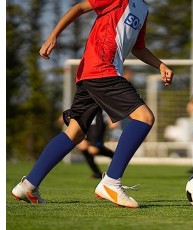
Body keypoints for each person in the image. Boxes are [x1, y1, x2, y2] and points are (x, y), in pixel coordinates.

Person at [12, 0, 174, 208]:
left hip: (94, 74)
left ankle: (28, 185)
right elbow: (79, 8)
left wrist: (160, 65)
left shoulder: (142, 9)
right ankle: (111, 182)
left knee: (75, 133)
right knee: (144, 117)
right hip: (101, 69)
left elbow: (138, 47)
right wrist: (53, 36)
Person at [63, 108, 114, 179]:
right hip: (88, 128)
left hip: (97, 129)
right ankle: (97, 173)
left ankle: (115, 156)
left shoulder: (100, 106)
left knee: (92, 150)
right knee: (83, 147)